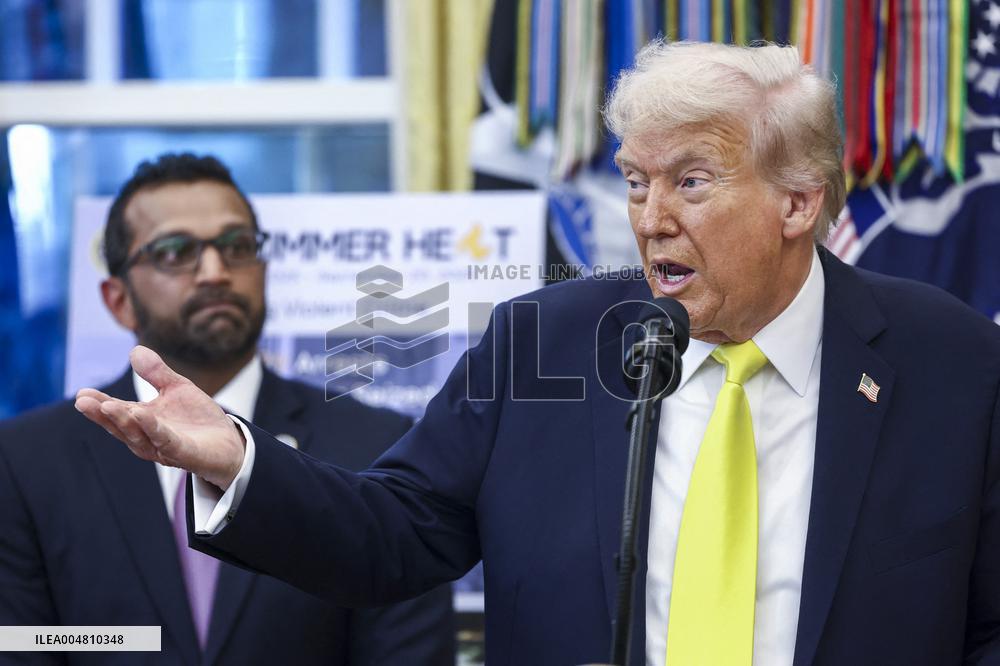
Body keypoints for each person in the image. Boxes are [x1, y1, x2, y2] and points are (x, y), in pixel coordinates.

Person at [77, 42, 1000, 666]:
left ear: (799, 204)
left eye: (691, 182)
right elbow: (395, 532)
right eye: (637, 182)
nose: (650, 219)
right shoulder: (544, 342)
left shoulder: (948, 361)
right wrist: (241, 461)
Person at [0, 153, 455, 665]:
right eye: (176, 252)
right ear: (118, 299)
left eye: (237, 246)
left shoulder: (372, 444)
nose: (215, 272)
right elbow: (24, 647)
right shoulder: (27, 460)